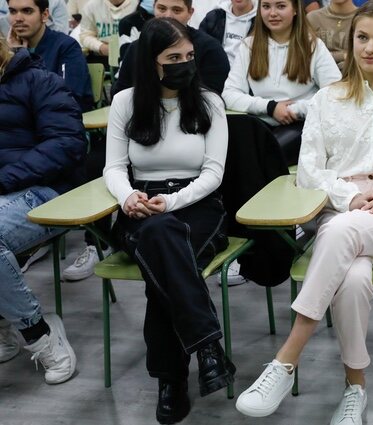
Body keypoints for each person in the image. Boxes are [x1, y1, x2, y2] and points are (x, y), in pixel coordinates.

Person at [233, 1, 373, 423]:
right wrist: (350, 198)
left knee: (339, 235)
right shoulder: (327, 100)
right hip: (342, 210)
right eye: (362, 38)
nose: (370, 48)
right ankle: (356, 389)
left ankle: (285, 360)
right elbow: (311, 172)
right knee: (351, 279)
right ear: (351, 42)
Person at [103, 17, 233, 425]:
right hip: (139, 204)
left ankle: (170, 379)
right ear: (151, 62)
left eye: (189, 56)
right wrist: (128, 198)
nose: (185, 64)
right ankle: (207, 349)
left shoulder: (209, 102)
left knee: (162, 249)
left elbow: (214, 174)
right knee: (163, 245)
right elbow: (112, 168)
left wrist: (172, 201)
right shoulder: (126, 102)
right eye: (173, 57)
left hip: (197, 202)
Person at [0, 36, 84, 384]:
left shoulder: (41, 81)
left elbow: (67, 143)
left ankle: (39, 333)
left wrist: (3, 179)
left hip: (46, 193)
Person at [221, 0, 341, 165]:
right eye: (266, 6)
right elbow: (229, 94)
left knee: (268, 155)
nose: (272, 13)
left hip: (299, 123)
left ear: (295, 10)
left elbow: (335, 94)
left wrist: (295, 109)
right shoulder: (249, 46)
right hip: (260, 121)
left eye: (281, 6)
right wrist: (270, 107)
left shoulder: (312, 45)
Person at [113, 0, 230, 96]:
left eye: (176, 10)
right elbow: (121, 90)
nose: (168, 15)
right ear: (154, 8)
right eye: (162, 8)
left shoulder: (210, 49)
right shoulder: (137, 48)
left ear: (190, 12)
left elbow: (212, 96)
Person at [7, 0, 93, 111]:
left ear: (44, 15)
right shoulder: (9, 51)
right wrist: (14, 55)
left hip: (56, 121)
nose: (18, 18)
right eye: (13, 11)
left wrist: (22, 59)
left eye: (27, 11)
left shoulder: (66, 47)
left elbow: (68, 99)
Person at [199, 0, 256, 65]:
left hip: (246, 73)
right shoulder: (214, 17)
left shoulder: (261, 22)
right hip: (214, 72)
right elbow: (198, 48)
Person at [306, 0, 357, 70]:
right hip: (319, 77)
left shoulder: (364, 18)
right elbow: (307, 56)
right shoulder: (313, 18)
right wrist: (344, 55)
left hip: (355, 77)